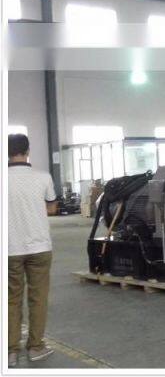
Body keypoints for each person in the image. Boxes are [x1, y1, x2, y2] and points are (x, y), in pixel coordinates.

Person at [8, 134, 58, 366]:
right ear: (28, 151)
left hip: (9, 248)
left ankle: (10, 351)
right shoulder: (43, 176)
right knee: (38, 298)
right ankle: (36, 347)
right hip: (39, 247)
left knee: (10, 299)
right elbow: (52, 208)